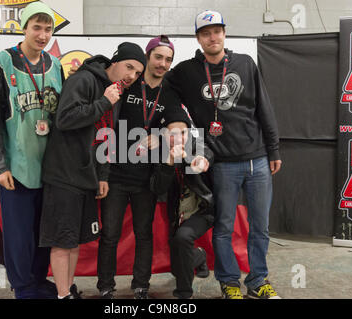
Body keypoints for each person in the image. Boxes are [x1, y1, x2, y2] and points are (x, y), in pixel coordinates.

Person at [166, 10, 282, 299]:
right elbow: (164, 91)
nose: (212, 37)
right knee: (223, 228)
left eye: (216, 31)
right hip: (222, 165)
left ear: (224, 33)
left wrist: (273, 148)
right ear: (198, 38)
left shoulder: (245, 63)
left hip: (256, 159)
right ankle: (229, 282)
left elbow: (263, 108)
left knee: (260, 227)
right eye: (206, 33)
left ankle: (258, 281)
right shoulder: (186, 71)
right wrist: (178, 119)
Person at [39, 42, 146, 299]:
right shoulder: (85, 80)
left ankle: (68, 290)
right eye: (129, 67)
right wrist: (104, 102)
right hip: (63, 174)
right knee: (62, 240)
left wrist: (103, 175)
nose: (132, 75)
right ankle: (63, 294)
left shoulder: (115, 91)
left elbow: (106, 134)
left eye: (138, 72)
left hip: (86, 176)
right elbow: (64, 119)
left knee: (73, 240)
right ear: (115, 62)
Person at [0, 1, 63, 299]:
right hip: (16, 168)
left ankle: (39, 281)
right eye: (36, 28)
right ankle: (24, 288)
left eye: (48, 29)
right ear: (24, 28)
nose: (42, 35)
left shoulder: (55, 66)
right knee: (18, 237)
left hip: (49, 167)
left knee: (44, 233)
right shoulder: (3, 62)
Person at [96, 36, 181, 299]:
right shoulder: (129, 84)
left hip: (146, 178)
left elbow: (180, 124)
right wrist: (102, 173)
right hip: (116, 175)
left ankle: (141, 284)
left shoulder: (169, 92)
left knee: (144, 233)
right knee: (110, 234)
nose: (163, 64)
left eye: (168, 59)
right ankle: (106, 286)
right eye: (158, 57)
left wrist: (164, 136)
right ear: (147, 57)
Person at [150, 110, 213, 299]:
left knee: (183, 238)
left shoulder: (197, 146)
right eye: (172, 133)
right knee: (178, 268)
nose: (178, 138)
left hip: (203, 209)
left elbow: (206, 158)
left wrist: (197, 162)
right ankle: (199, 256)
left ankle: (184, 295)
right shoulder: (159, 153)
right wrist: (169, 162)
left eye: (183, 133)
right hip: (178, 214)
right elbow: (157, 187)